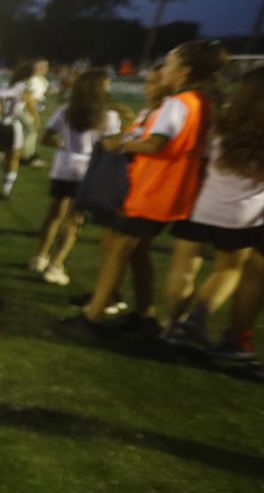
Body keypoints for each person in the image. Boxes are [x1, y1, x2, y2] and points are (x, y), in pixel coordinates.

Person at [71, 40, 227, 335]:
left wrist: (121, 144)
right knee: (138, 252)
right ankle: (145, 314)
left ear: (184, 70)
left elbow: (156, 144)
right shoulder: (201, 102)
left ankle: (92, 318)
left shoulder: (178, 103)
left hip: (152, 191)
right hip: (170, 192)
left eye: (169, 63)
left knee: (118, 251)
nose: (163, 69)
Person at [161, 67, 264, 345]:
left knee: (183, 266)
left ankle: (170, 325)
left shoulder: (220, 123)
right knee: (228, 270)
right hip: (242, 215)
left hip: (200, 204)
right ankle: (198, 317)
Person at [29, 69, 126, 285]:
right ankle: (55, 265)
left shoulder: (65, 111)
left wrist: (63, 146)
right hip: (88, 171)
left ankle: (40, 257)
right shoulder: (108, 116)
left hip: (62, 168)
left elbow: (46, 139)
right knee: (74, 221)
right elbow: (109, 146)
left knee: (54, 214)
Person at [0, 58, 48, 202]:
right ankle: (5, 191)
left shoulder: (3, 85)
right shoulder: (25, 87)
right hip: (10, 125)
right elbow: (29, 101)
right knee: (12, 159)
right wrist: (37, 118)